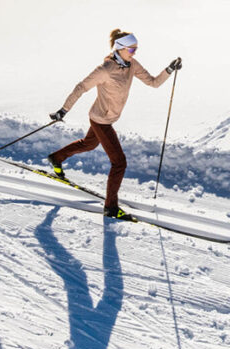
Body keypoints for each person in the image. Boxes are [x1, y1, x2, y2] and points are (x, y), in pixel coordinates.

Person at [47, 29, 182, 220]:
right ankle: (110, 207)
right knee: (119, 162)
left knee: (89, 144)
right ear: (120, 48)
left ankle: (56, 157)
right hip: (101, 120)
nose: (134, 53)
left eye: (136, 49)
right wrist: (64, 110)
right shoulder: (105, 70)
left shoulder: (131, 65)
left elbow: (153, 82)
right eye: (132, 49)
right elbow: (81, 87)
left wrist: (169, 70)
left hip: (106, 118)